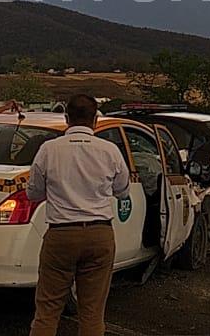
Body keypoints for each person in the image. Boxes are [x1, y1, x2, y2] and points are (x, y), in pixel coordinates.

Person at [26, 93, 129, 336]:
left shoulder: (48, 149)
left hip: (61, 235)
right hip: (99, 234)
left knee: (47, 310)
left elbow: (34, 193)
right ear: (95, 119)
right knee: (92, 312)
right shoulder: (110, 150)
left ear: (66, 118)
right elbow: (122, 190)